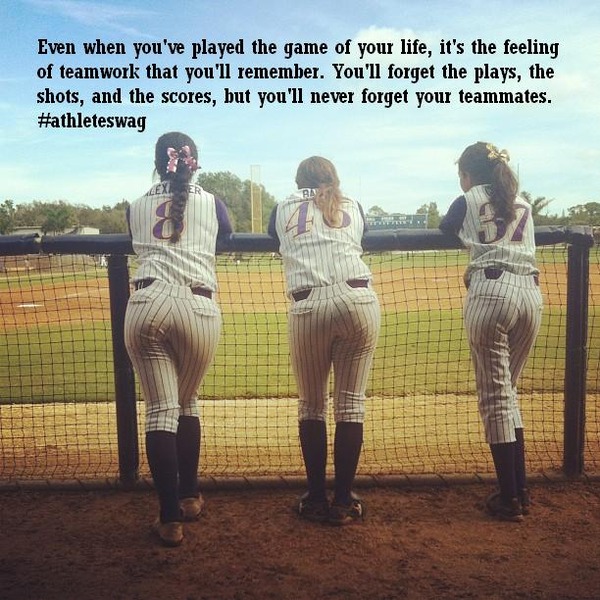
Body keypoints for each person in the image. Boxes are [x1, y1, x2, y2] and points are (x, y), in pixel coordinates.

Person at [124, 131, 232, 546]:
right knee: (187, 403)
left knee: (160, 411)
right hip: (199, 307)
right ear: (194, 162)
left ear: (158, 164)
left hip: (147, 301)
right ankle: (189, 496)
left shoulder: (135, 204)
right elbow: (226, 234)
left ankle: (170, 519)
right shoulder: (213, 202)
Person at [268, 156, 381, 525]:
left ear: (299, 181)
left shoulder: (282, 207)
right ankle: (344, 500)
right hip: (359, 300)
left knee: (312, 406)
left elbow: (279, 237)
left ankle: (316, 497)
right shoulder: (353, 205)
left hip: (308, 305)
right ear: (334, 179)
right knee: (350, 406)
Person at [439, 141, 543, 522]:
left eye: (461, 175)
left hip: (492, 293)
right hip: (531, 296)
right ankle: (520, 490)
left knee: (496, 398)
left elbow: (447, 228)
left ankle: (510, 497)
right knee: (508, 394)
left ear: (468, 174)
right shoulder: (523, 203)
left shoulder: (466, 199)